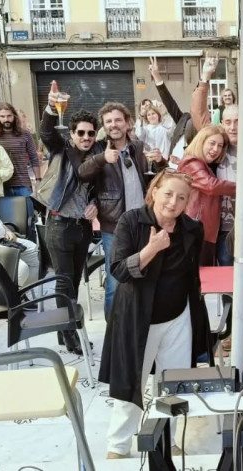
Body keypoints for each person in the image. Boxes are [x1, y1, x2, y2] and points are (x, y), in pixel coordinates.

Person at [100, 170, 212, 459]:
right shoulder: (131, 221)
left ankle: (167, 439)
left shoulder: (192, 229)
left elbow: (191, 275)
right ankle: (118, 445)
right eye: (168, 194)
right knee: (130, 384)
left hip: (177, 317)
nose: (173, 202)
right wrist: (152, 249)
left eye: (181, 197)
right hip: (138, 317)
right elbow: (119, 270)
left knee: (173, 383)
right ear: (155, 192)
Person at [79, 101, 164, 320]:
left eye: (118, 120)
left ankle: (142, 323)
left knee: (146, 275)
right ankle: (114, 335)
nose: (113, 125)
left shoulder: (138, 147)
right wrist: (102, 159)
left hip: (143, 222)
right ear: (104, 126)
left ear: (127, 123)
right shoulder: (98, 149)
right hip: (114, 225)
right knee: (115, 282)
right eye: (109, 121)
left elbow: (159, 179)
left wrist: (160, 162)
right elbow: (83, 173)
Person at [191, 54, 243, 265]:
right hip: (220, 226)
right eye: (228, 121)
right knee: (227, 280)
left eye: (238, 121)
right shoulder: (217, 145)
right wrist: (205, 77)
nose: (233, 126)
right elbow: (199, 114)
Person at [40, 91, 103, 355]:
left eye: (90, 133)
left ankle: (62, 333)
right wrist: (52, 107)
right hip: (59, 225)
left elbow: (102, 188)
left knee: (74, 282)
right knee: (64, 283)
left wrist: (96, 204)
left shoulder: (98, 155)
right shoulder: (61, 150)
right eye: (81, 133)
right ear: (73, 134)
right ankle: (71, 336)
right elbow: (46, 133)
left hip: (82, 228)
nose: (86, 138)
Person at [176, 125, 234, 265]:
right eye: (212, 143)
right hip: (197, 229)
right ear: (201, 141)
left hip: (202, 230)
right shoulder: (192, 162)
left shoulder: (202, 164)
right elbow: (211, 186)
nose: (216, 149)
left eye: (220, 146)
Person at [0, 103, 40, 240]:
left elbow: (34, 157)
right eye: (2, 116)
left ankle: (32, 251)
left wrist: (38, 180)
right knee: (5, 222)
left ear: (14, 116)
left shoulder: (25, 134)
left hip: (22, 183)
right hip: (1, 185)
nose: (6, 119)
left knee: (28, 221)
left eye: (9, 116)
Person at [147, 57, 196, 162]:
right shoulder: (184, 118)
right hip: (170, 169)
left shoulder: (205, 126)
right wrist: (156, 76)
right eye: (194, 97)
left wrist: (182, 163)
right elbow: (169, 102)